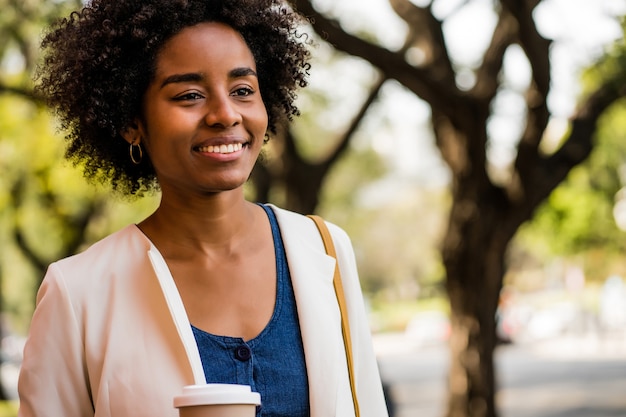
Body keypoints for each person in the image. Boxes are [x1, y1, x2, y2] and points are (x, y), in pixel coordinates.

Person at [17, 1, 389, 416]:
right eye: (189, 95)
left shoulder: (325, 250)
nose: (225, 114)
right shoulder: (78, 292)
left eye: (243, 90)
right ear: (131, 122)